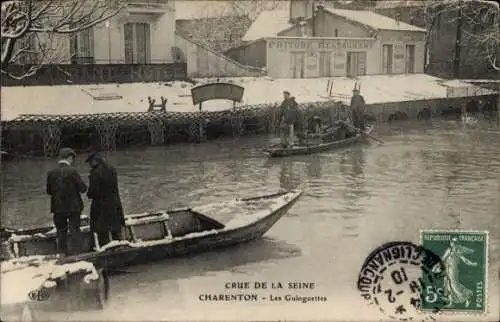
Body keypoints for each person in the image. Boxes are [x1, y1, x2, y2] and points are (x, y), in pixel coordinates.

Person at [46, 147, 87, 255]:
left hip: (58, 208)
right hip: (74, 208)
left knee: (60, 232)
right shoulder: (72, 171)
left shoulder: (51, 173)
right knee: (75, 231)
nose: (72, 161)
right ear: (69, 157)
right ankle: (77, 254)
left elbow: (49, 191)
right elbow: (83, 189)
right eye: (72, 159)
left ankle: (62, 254)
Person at [85, 152, 125, 248]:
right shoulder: (112, 169)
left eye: (90, 162)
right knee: (116, 227)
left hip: (100, 205)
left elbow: (93, 192)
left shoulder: (95, 173)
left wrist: (88, 194)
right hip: (114, 203)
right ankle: (120, 246)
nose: (90, 165)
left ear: (94, 161)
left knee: (101, 230)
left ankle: (104, 248)